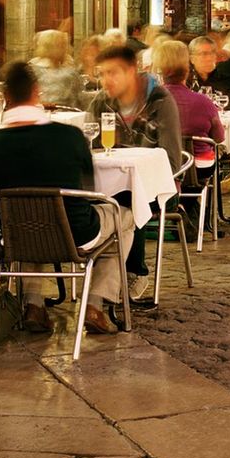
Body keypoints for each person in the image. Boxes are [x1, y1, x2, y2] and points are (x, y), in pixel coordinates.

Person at [0, 61, 134, 335]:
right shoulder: (69, 136)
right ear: (37, 92)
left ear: (4, 97)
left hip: (16, 236)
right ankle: (94, 302)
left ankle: (33, 303)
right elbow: (89, 187)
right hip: (77, 233)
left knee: (26, 220)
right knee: (126, 217)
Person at [86, 45, 182, 302]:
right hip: (106, 184)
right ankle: (95, 271)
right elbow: (88, 146)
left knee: (128, 198)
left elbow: (172, 158)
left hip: (156, 186)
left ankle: (135, 271)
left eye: (113, 73)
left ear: (131, 72)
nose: (106, 80)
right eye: (102, 73)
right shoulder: (101, 102)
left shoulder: (160, 102)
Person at [154, 40, 224, 228]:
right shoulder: (203, 102)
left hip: (162, 169)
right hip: (197, 169)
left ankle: (184, 208)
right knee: (217, 158)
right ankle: (202, 216)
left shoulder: (151, 101)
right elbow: (219, 138)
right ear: (187, 69)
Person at [30, 28, 83, 108]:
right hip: (65, 116)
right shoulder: (69, 74)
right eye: (63, 45)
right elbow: (79, 100)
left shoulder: (30, 70)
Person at [189, 36, 230, 109]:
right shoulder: (186, 82)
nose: (209, 58)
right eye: (204, 54)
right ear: (192, 59)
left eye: (212, 53)